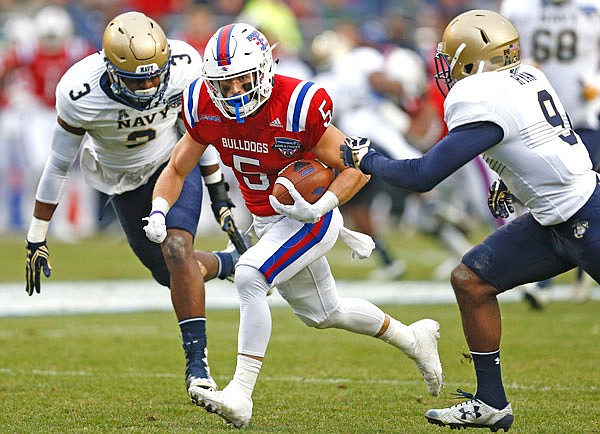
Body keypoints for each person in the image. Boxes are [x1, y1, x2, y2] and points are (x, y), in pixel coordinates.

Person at [143, 23, 443, 429]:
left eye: (241, 82)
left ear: (265, 69)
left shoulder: (296, 104)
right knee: (325, 313)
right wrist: (160, 208)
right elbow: (178, 165)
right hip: (268, 221)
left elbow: (357, 167)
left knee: (250, 275)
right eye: (223, 86)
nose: (232, 95)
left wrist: (322, 205)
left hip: (309, 216)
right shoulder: (203, 104)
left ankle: (241, 394)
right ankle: (414, 340)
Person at [341, 9, 600, 431]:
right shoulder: (528, 76)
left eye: (451, 58)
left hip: (587, 214)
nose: (445, 68)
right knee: (471, 280)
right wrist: (511, 179)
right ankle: (491, 402)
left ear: (474, 59)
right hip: (552, 219)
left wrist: (365, 158)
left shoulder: (480, 95)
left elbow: (422, 175)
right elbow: (535, 137)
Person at [24, 11, 250, 397]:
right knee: (172, 273)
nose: (147, 86)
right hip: (121, 180)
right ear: (110, 69)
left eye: (153, 74)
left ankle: (197, 365)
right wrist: (37, 237)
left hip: (172, 164)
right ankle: (232, 262)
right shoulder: (79, 92)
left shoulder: (183, 65)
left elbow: (198, 132)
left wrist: (220, 198)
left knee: (178, 249)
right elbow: (58, 166)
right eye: (136, 78)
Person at [500, 0, 600, 304]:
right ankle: (545, 280)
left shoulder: (592, 6)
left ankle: (576, 274)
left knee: (583, 192)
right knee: (547, 196)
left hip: (584, 112)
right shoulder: (518, 8)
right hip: (536, 118)